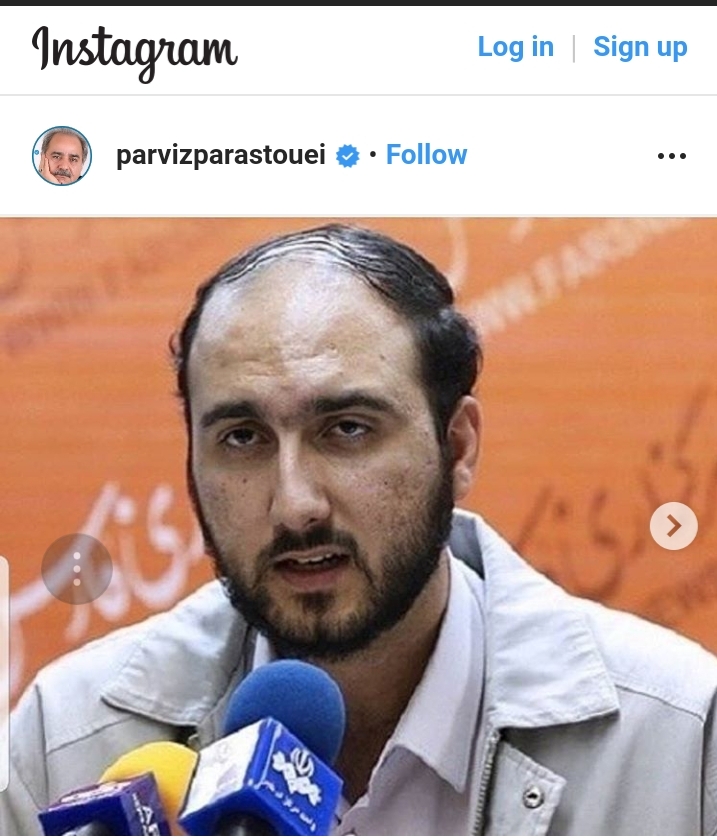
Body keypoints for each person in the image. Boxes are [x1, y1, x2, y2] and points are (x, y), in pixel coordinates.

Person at [3, 223, 717, 835]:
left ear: (457, 447)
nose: (294, 506)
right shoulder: (65, 737)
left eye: (346, 429)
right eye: (243, 438)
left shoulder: (680, 739)